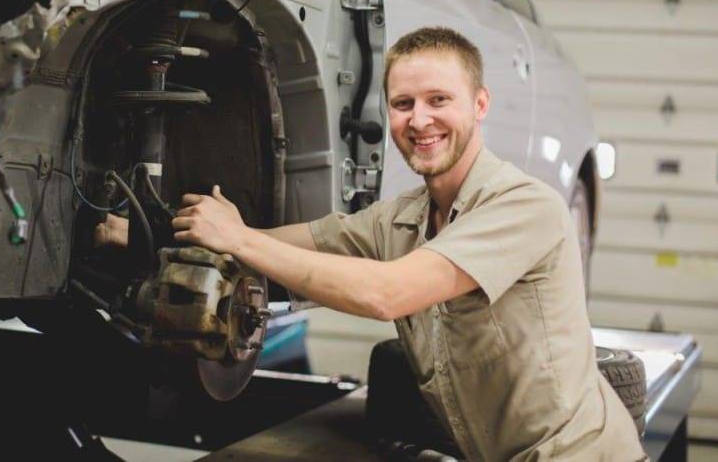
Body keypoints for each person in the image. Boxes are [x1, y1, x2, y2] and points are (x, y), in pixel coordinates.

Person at [97, 26, 647, 461]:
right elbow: (278, 246)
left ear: (480, 104)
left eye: (439, 100)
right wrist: (147, 234)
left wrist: (237, 237)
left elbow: (388, 294)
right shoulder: (401, 219)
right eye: (403, 104)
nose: (420, 120)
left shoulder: (525, 205)